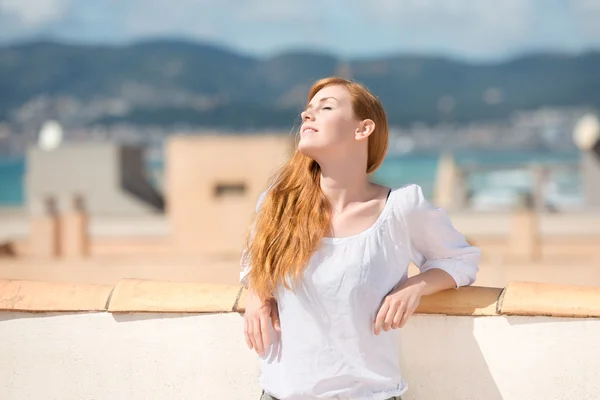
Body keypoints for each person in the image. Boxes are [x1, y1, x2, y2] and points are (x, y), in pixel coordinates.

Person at [240, 77, 480, 400]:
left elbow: (461, 259)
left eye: (325, 107)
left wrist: (415, 287)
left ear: (363, 129)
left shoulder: (401, 208)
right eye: (308, 110)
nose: (306, 115)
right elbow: (255, 263)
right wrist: (257, 294)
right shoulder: (278, 204)